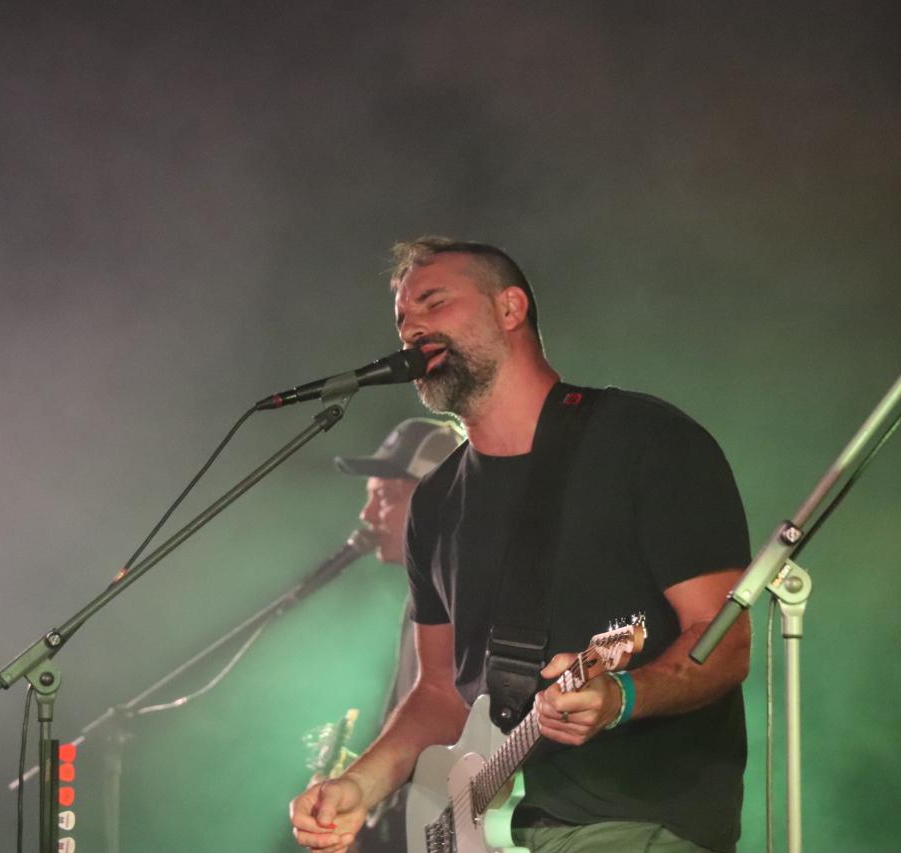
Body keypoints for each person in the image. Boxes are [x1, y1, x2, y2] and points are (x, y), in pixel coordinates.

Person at [290, 237, 752, 853]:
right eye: (402, 320)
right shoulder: (435, 502)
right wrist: (360, 785)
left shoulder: (644, 441)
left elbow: (725, 640)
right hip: (502, 829)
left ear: (510, 308)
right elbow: (439, 694)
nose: (412, 329)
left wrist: (623, 695)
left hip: (634, 818)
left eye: (434, 302)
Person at [329, 417, 463, 853]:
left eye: (385, 497)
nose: (366, 516)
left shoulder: (469, 593)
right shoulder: (419, 604)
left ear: (438, 498)